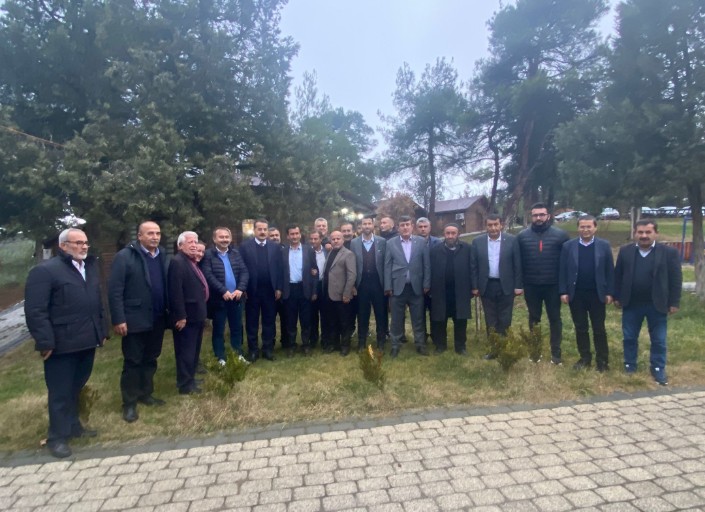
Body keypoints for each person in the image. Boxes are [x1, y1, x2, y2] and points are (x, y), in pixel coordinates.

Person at [25, 228, 107, 458]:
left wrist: (101, 331)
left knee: (76, 387)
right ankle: (57, 437)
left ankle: (73, 426)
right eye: (77, 242)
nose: (83, 246)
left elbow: (96, 302)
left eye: (85, 242)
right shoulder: (45, 271)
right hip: (61, 344)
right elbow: (35, 311)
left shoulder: (88, 268)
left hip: (86, 341)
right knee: (60, 392)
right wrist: (45, 342)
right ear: (63, 246)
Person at [108, 221, 168, 424]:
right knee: (133, 361)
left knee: (151, 358)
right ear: (140, 236)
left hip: (157, 317)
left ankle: (146, 393)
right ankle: (129, 403)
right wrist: (119, 318)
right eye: (150, 233)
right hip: (134, 318)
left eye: (157, 233)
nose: (155, 237)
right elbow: (115, 290)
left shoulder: (161, 255)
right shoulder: (125, 257)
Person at [614, 219, 682, 385]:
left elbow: (676, 279)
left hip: (657, 304)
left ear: (656, 233)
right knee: (629, 337)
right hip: (631, 303)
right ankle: (630, 365)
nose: (644, 235)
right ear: (635, 233)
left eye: (648, 232)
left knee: (658, 339)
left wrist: (674, 302)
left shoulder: (669, 253)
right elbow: (618, 276)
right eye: (640, 232)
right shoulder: (625, 251)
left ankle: (658, 368)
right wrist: (617, 296)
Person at [559, 216, 615, 372]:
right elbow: (562, 270)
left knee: (599, 328)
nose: (585, 230)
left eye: (589, 226)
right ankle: (585, 358)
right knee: (581, 327)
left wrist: (610, 292)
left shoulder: (604, 246)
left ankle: (602, 360)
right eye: (582, 227)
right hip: (576, 294)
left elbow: (610, 270)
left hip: (597, 294)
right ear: (578, 228)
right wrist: (563, 291)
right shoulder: (568, 246)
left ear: (595, 228)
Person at [517, 203, 570, 365]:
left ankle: (556, 353)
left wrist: (564, 287)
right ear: (531, 216)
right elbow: (518, 263)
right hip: (531, 285)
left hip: (553, 285)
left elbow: (567, 263)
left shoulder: (561, 236)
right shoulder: (522, 237)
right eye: (535, 215)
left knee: (555, 318)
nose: (538, 218)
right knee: (534, 318)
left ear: (548, 216)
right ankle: (535, 351)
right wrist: (520, 284)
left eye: (541, 215)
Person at [471, 214, 523, 359]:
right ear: (486, 226)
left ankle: (504, 346)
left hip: (506, 285)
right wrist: (475, 286)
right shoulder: (477, 242)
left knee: (505, 318)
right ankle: (493, 349)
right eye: (490, 225)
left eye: (496, 224)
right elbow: (473, 266)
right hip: (487, 285)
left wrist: (518, 285)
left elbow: (517, 264)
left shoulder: (512, 240)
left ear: (501, 225)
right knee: (490, 318)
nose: (493, 228)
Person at [200, 227, 249, 363]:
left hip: (236, 298)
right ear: (214, 239)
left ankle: (238, 355)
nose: (224, 239)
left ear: (231, 238)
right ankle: (220, 357)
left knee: (237, 328)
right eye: (221, 237)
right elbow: (208, 275)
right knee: (219, 330)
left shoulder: (235, 253)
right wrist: (223, 291)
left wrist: (240, 289)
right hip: (219, 299)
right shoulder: (208, 255)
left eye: (227, 237)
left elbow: (244, 272)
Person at [384, 215, 431, 358]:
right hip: (397, 287)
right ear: (398, 227)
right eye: (402, 225)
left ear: (412, 226)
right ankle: (395, 345)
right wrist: (388, 286)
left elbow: (426, 264)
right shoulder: (390, 243)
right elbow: (387, 265)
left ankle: (420, 344)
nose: (405, 227)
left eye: (407, 224)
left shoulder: (421, 242)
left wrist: (426, 283)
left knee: (418, 317)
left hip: (416, 286)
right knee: (396, 319)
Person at [168, 231, 209, 395]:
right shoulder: (177, 262)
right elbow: (175, 291)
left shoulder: (191, 262)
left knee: (194, 350)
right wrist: (180, 316)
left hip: (196, 314)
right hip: (186, 317)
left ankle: (190, 378)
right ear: (180, 246)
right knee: (185, 351)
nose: (194, 245)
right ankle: (185, 385)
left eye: (195, 242)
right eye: (190, 242)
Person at [240, 219, 284, 361]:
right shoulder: (245, 246)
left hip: (270, 291)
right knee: (251, 322)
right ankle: (253, 350)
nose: (263, 232)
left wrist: (279, 287)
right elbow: (241, 268)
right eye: (260, 229)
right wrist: (243, 287)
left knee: (269, 321)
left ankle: (267, 349)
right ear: (254, 230)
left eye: (265, 229)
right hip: (251, 291)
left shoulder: (275, 247)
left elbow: (280, 269)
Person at [429, 224, 473, 354]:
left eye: (453, 233)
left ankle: (460, 347)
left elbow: (472, 268)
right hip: (440, 291)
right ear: (444, 234)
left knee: (460, 320)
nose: (450, 236)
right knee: (440, 320)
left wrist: (474, 287)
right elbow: (430, 270)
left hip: (460, 291)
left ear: (458, 234)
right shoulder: (435, 250)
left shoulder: (467, 249)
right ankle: (440, 345)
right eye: (447, 233)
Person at [350, 215, 387, 351]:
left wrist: (387, 285)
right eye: (364, 224)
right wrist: (353, 285)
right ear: (361, 226)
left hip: (378, 283)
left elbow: (386, 264)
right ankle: (361, 342)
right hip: (362, 283)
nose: (366, 226)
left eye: (369, 224)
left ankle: (381, 341)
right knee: (362, 314)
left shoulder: (382, 242)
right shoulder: (354, 243)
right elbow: (352, 265)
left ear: (373, 225)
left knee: (380, 313)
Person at [281, 224, 318, 356]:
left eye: (297, 233)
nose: (295, 236)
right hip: (289, 289)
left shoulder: (309, 250)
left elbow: (315, 271)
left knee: (306, 319)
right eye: (292, 234)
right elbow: (280, 272)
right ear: (288, 236)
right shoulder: (283, 252)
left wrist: (314, 291)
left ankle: (306, 344)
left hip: (305, 289)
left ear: (300, 234)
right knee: (290, 320)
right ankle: (291, 345)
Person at [322, 231, 357, 355]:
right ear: (330, 241)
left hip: (342, 295)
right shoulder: (330, 252)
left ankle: (345, 346)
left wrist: (346, 293)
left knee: (344, 322)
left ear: (343, 240)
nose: (335, 241)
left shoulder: (348, 254)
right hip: (329, 293)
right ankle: (334, 344)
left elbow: (352, 275)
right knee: (332, 321)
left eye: (338, 238)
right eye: (333, 239)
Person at [269, 227, 289, 350]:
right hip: (270, 291)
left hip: (285, 290)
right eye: (272, 236)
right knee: (270, 319)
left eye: (276, 235)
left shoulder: (286, 249)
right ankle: (270, 342)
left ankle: (286, 341)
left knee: (286, 317)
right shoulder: (266, 251)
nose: (275, 237)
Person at [308, 231, 328, 349]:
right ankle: (313, 339)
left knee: (325, 314)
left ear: (321, 239)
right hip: (311, 287)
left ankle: (325, 339)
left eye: (316, 239)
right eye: (311, 239)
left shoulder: (327, 251)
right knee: (312, 315)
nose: (313, 241)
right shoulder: (307, 252)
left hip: (324, 286)